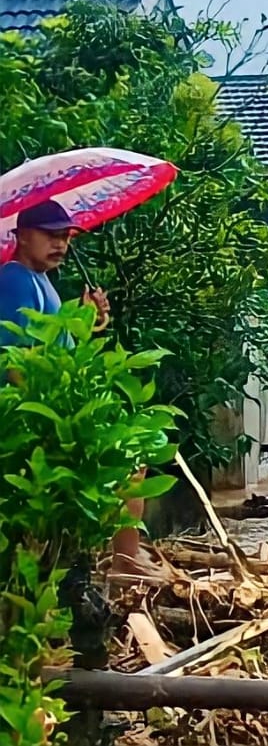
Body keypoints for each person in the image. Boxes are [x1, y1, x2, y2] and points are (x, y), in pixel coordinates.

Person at [0, 202, 134, 565]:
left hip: (56, 402)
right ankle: (127, 562)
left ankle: (128, 557)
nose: (61, 244)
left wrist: (89, 318)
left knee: (131, 458)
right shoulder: (14, 280)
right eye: (51, 235)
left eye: (66, 236)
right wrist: (37, 419)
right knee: (128, 455)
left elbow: (60, 343)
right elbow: (16, 358)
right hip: (36, 409)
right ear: (22, 236)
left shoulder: (41, 280)